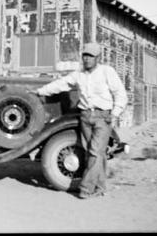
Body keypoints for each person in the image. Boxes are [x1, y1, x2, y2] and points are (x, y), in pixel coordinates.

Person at [32, 42, 128, 199]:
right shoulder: (79, 74)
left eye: (90, 56)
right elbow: (61, 84)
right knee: (95, 153)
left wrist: (115, 113)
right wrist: (39, 91)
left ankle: (86, 189)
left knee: (95, 152)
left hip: (102, 117)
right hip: (85, 116)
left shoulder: (106, 71)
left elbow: (120, 93)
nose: (87, 59)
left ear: (98, 57)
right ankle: (100, 187)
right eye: (85, 55)